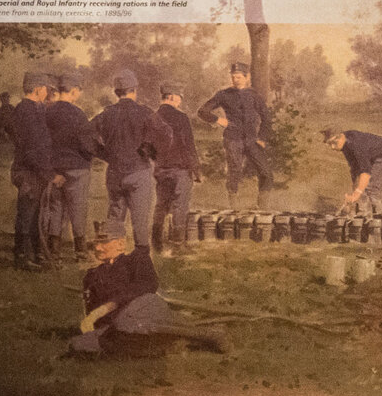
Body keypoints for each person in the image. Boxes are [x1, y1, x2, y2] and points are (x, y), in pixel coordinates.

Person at [68, 233, 224, 356]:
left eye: (104, 242)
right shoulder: (92, 275)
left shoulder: (136, 259)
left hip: (144, 308)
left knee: (125, 322)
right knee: (78, 344)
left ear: (121, 243)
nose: (98, 248)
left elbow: (146, 286)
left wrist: (104, 308)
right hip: (118, 327)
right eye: (95, 244)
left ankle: (207, 335)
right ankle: (164, 347)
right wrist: (91, 326)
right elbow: (94, 317)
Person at [91, 70, 172, 253]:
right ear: (134, 90)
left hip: (115, 172)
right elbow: (166, 133)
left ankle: (113, 256)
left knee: (115, 218)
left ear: (116, 92)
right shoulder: (144, 113)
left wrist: (105, 154)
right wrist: (151, 152)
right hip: (139, 172)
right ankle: (141, 258)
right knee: (140, 220)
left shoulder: (107, 114)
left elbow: (85, 135)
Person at [198, 62, 274, 210]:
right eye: (233, 77)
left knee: (266, 172)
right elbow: (202, 111)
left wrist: (262, 138)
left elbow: (266, 117)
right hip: (233, 139)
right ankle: (234, 208)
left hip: (252, 140)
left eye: (238, 77)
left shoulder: (254, 95)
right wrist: (218, 120)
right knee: (235, 171)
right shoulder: (224, 94)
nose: (235, 80)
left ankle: (263, 207)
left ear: (247, 77)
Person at [43, 70, 97, 263]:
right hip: (77, 167)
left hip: (54, 168)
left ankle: (54, 252)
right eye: (79, 90)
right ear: (73, 90)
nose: (79, 94)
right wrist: (89, 157)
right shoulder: (78, 114)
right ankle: (80, 251)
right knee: (78, 208)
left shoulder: (47, 112)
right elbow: (87, 144)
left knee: (56, 208)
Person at [7, 71, 56, 271]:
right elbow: (32, 149)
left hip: (33, 170)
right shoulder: (27, 111)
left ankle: (34, 255)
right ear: (37, 89)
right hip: (28, 171)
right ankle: (22, 257)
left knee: (34, 215)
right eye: (45, 89)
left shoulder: (31, 109)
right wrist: (48, 173)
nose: (47, 92)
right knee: (27, 215)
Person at [152, 81, 200, 254]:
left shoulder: (153, 118)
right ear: (172, 97)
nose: (180, 101)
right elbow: (189, 146)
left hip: (161, 169)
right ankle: (178, 244)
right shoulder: (181, 118)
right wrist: (196, 169)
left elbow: (148, 146)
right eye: (179, 97)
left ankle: (156, 244)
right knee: (180, 205)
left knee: (161, 205)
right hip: (180, 169)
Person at [322, 128, 382, 215]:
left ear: (341, 137)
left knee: (372, 188)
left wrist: (357, 193)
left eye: (334, 143)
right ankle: (362, 213)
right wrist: (355, 191)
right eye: (330, 144)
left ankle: (378, 216)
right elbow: (355, 168)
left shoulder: (357, 145)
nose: (332, 147)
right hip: (372, 155)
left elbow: (365, 172)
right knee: (360, 187)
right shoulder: (345, 144)